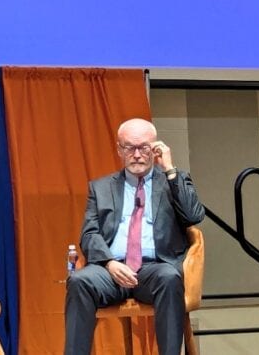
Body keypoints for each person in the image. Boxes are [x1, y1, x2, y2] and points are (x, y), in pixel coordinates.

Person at [64, 118, 205, 355]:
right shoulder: (100, 187)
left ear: (156, 148)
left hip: (154, 269)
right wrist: (109, 263)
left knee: (170, 277)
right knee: (79, 281)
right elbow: (89, 234)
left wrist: (170, 169)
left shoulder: (172, 181)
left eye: (144, 147)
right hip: (111, 271)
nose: (137, 154)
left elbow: (194, 216)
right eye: (130, 147)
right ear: (119, 150)